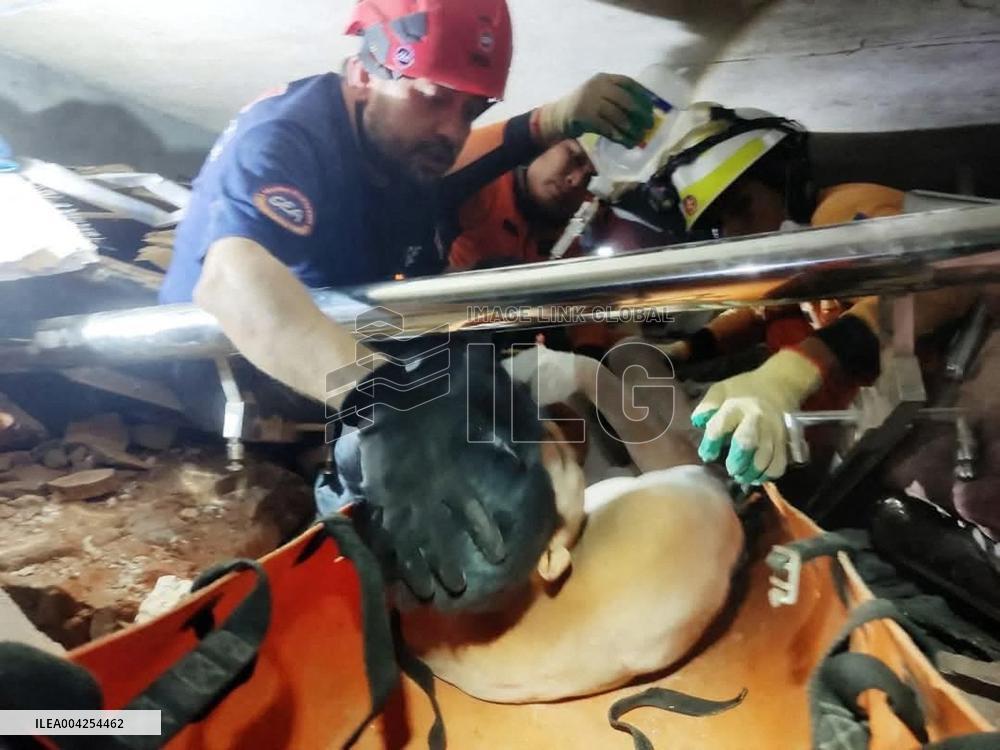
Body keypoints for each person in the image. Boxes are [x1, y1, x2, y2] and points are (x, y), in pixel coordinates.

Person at [343, 345, 743, 702]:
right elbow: (700, 482)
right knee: (630, 355)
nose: (562, 438)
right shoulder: (665, 530)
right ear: (550, 557)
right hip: (680, 528)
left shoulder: (425, 621)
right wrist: (592, 377)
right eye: (564, 458)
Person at [641, 103, 976, 485]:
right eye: (722, 224)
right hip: (917, 390)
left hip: (971, 361)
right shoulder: (801, 250)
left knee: (952, 483)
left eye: (742, 207)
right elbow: (761, 310)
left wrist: (788, 374)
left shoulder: (842, 212)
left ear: (785, 181)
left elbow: (924, 285)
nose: (735, 233)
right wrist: (682, 352)